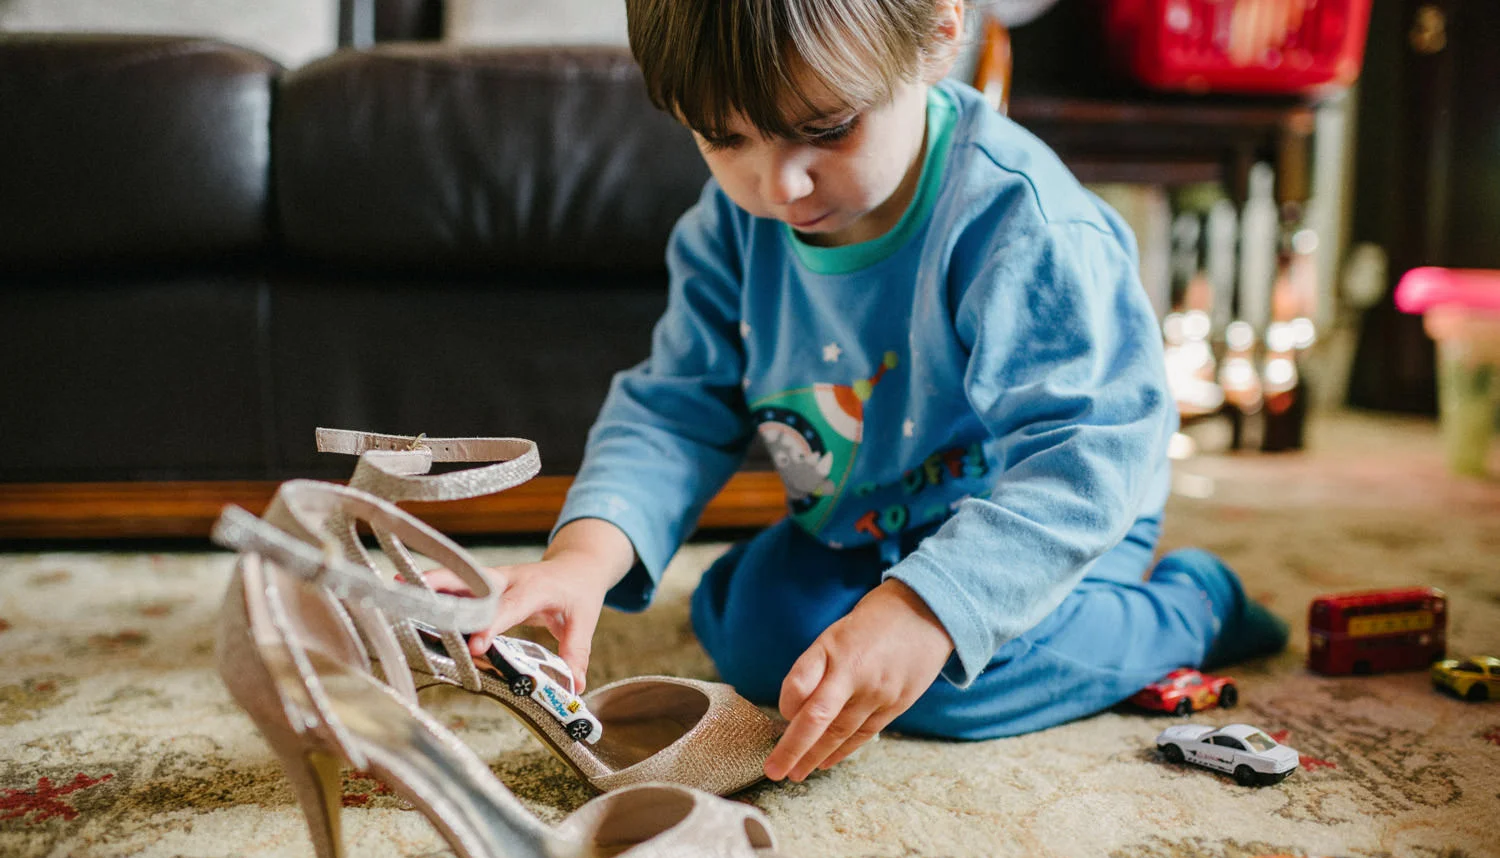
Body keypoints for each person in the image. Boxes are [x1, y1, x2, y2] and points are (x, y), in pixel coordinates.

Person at [428, 0, 1289, 784]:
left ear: (941, 34)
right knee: (768, 644)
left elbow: (1087, 452)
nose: (778, 187)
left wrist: (925, 610)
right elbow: (673, 407)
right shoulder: (736, 225)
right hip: (865, 513)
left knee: (942, 690)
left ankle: (1192, 605)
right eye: (725, 139)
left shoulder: (1021, 223)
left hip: (1043, 514)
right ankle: (865, 602)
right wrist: (580, 560)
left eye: (827, 128)